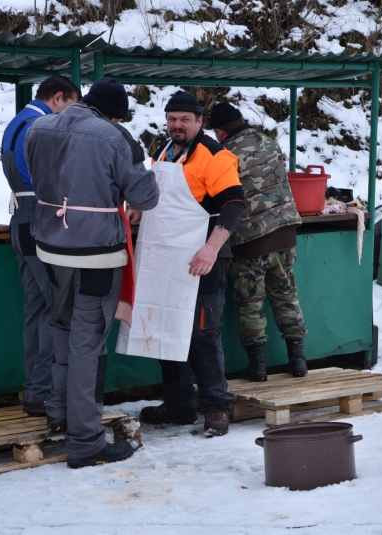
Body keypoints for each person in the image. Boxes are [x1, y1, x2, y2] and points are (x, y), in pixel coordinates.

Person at [25, 77, 159, 468]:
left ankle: (60, 414)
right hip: (96, 254)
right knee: (88, 341)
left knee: (61, 326)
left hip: (50, 247)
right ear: (115, 115)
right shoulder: (114, 137)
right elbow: (144, 197)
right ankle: (84, 441)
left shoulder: (41, 126)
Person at [138, 91, 245, 437]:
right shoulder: (164, 152)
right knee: (166, 326)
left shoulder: (215, 155)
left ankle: (216, 407)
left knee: (202, 332)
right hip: (167, 258)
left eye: (185, 119)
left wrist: (211, 248)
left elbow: (233, 204)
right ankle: (180, 404)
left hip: (204, 257)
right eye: (172, 119)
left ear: (200, 122)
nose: (177, 125)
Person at [208, 103, 308, 382]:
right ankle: (298, 360)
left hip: (250, 240)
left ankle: (258, 366)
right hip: (286, 233)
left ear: (219, 131)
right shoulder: (268, 140)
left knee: (250, 303)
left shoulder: (224, 153)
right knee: (286, 296)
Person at [1, 75, 81, 417]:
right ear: (58, 98)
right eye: (71, 108)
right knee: (55, 308)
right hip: (40, 219)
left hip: (19, 219)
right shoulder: (42, 126)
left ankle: (35, 390)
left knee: (36, 307)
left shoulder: (16, 123)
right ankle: (47, 392)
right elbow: (51, 177)